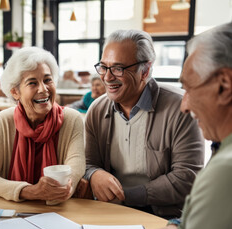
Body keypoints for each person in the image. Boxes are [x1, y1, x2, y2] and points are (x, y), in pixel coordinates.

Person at [81, 29, 204, 218]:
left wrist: (125, 196)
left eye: (118, 68)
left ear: (145, 71)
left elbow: (187, 177)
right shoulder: (97, 110)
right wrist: (94, 174)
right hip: (109, 211)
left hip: (164, 217)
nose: (107, 77)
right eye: (104, 67)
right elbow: (88, 163)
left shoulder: (181, 108)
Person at [140, 22, 232, 229]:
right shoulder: (221, 146)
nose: (184, 105)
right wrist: (179, 228)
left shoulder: (226, 170)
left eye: (190, 89)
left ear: (224, 85)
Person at [0, 47, 85, 204]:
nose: (43, 89)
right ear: (15, 92)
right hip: (15, 210)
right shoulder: (4, 121)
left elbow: (76, 166)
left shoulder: (72, 119)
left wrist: (65, 187)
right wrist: (31, 192)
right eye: (32, 83)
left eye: (48, 80)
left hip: (59, 210)